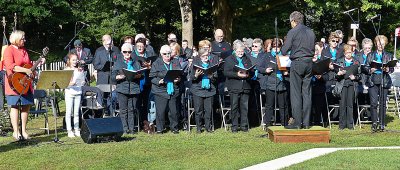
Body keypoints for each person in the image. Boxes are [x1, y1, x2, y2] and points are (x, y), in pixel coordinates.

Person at [3, 30, 45, 140]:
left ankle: (24, 131)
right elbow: (11, 66)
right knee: (15, 106)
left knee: (26, 106)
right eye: (22, 38)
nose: (24, 40)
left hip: (26, 83)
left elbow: (29, 65)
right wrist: (26, 71)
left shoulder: (24, 50)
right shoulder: (8, 50)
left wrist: (38, 63)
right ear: (16, 39)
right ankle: (16, 132)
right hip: (14, 82)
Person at [281, 11, 316, 129]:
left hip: (298, 62)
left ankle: (297, 123)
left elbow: (284, 50)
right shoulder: (311, 32)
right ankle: (306, 123)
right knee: (307, 93)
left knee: (295, 93)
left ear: (293, 21)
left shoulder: (293, 31)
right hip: (309, 63)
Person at [150, 45, 182, 134]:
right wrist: (159, 81)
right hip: (160, 90)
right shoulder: (156, 63)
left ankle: (174, 128)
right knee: (160, 111)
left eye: (169, 53)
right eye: (165, 54)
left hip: (173, 89)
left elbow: (179, 74)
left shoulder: (175, 62)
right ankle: (160, 128)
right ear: (161, 54)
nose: (167, 56)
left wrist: (178, 79)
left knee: (174, 111)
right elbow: (152, 77)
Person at [111, 43, 142, 134]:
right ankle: (124, 129)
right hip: (122, 88)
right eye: (125, 52)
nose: (127, 54)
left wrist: (137, 76)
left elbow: (141, 75)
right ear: (122, 52)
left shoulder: (136, 63)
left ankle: (132, 129)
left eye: (129, 52)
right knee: (123, 110)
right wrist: (119, 77)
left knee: (131, 109)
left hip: (133, 88)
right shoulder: (118, 63)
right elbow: (113, 77)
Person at [366, 35, 394, 132]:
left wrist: (387, 69)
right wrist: (370, 69)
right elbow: (365, 67)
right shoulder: (370, 55)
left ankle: (382, 123)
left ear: (385, 44)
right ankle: (374, 123)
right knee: (373, 103)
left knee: (382, 103)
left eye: (382, 44)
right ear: (375, 44)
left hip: (384, 79)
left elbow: (392, 68)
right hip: (373, 79)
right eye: (378, 43)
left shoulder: (388, 55)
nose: (380, 45)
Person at [223, 43, 253, 133]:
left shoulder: (247, 58)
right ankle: (234, 126)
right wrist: (237, 74)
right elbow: (226, 72)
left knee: (244, 107)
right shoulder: (229, 59)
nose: (240, 53)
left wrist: (248, 74)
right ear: (234, 51)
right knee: (234, 106)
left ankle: (244, 126)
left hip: (245, 86)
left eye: (242, 51)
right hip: (234, 86)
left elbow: (251, 71)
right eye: (238, 51)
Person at [261, 39, 290, 126]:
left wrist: (287, 72)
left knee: (283, 105)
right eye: (274, 47)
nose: (276, 49)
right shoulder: (267, 56)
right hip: (270, 83)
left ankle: (284, 124)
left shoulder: (284, 56)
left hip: (282, 83)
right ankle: (268, 124)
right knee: (269, 105)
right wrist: (265, 70)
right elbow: (259, 67)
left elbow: (290, 68)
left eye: (278, 47)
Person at [190, 48, 218, 133]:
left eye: (207, 55)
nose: (206, 57)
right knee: (198, 110)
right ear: (200, 57)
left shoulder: (212, 64)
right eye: (204, 56)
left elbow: (216, 77)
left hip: (209, 90)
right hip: (198, 89)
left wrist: (211, 76)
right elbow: (191, 78)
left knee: (208, 110)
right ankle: (199, 127)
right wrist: (196, 75)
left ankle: (208, 127)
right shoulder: (195, 64)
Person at [335, 44, 360, 130]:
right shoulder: (339, 61)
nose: (349, 54)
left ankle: (350, 124)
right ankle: (341, 125)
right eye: (347, 53)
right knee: (342, 104)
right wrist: (339, 74)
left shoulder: (356, 62)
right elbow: (336, 76)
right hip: (342, 84)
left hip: (351, 84)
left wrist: (355, 77)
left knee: (350, 104)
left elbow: (359, 75)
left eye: (350, 52)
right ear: (344, 53)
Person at [64, 52, 86, 137]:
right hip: (69, 93)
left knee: (76, 112)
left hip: (78, 92)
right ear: (69, 60)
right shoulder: (66, 70)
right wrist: (70, 84)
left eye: (76, 60)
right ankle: (69, 130)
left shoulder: (79, 70)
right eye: (73, 60)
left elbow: (82, 80)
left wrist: (82, 82)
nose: (75, 61)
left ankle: (77, 129)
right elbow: (64, 83)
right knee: (69, 112)